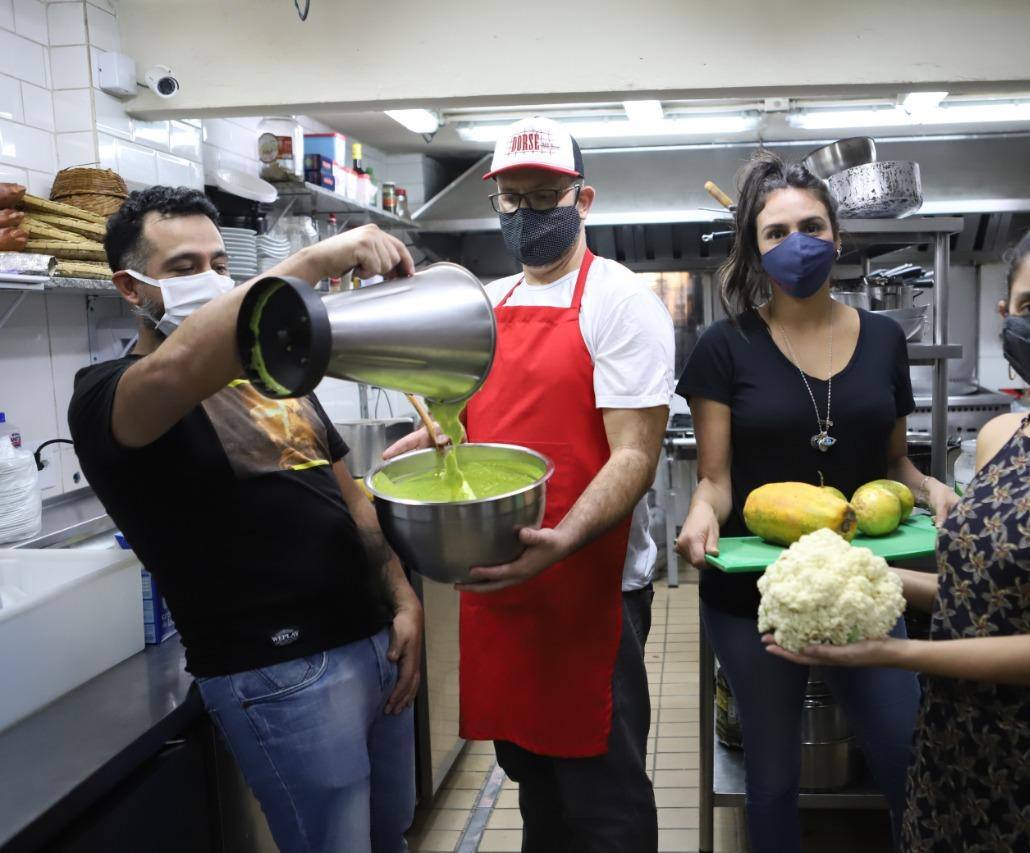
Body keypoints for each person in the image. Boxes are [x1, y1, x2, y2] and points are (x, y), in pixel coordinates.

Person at [766, 207, 1030, 852]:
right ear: (1007, 315)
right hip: (955, 759)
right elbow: (988, 599)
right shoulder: (1000, 439)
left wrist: (891, 653)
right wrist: (859, 576)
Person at [69, 186, 423, 853]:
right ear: (130, 287)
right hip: (279, 674)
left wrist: (400, 597)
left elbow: (349, 497)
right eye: (181, 268)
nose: (208, 280)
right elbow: (181, 364)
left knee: (391, 835)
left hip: (372, 643)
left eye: (218, 263)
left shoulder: (272, 376)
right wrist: (316, 259)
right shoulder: (111, 396)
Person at [387, 116, 672, 851]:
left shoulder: (621, 301)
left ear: (584, 200)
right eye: (511, 200)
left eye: (545, 196)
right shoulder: (486, 303)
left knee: (602, 796)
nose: (526, 215)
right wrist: (435, 435)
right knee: (533, 778)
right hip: (506, 577)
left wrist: (563, 541)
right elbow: (468, 421)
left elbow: (634, 456)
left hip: (589, 582)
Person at [674, 151, 957, 851]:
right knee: (770, 777)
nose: (796, 243)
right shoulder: (724, 347)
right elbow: (716, 478)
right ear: (755, 247)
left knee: (907, 758)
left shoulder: (886, 339)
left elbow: (896, 461)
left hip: (869, 584)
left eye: (811, 225)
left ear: (837, 237)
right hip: (758, 595)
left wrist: (932, 486)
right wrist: (702, 510)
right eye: (776, 232)